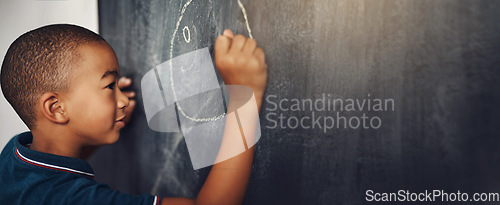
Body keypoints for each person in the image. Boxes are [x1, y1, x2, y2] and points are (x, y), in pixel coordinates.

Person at [0, 24, 267, 205]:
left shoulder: (14, 158)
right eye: (109, 86)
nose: (123, 99)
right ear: (56, 108)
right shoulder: (75, 199)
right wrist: (245, 96)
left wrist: (105, 113)